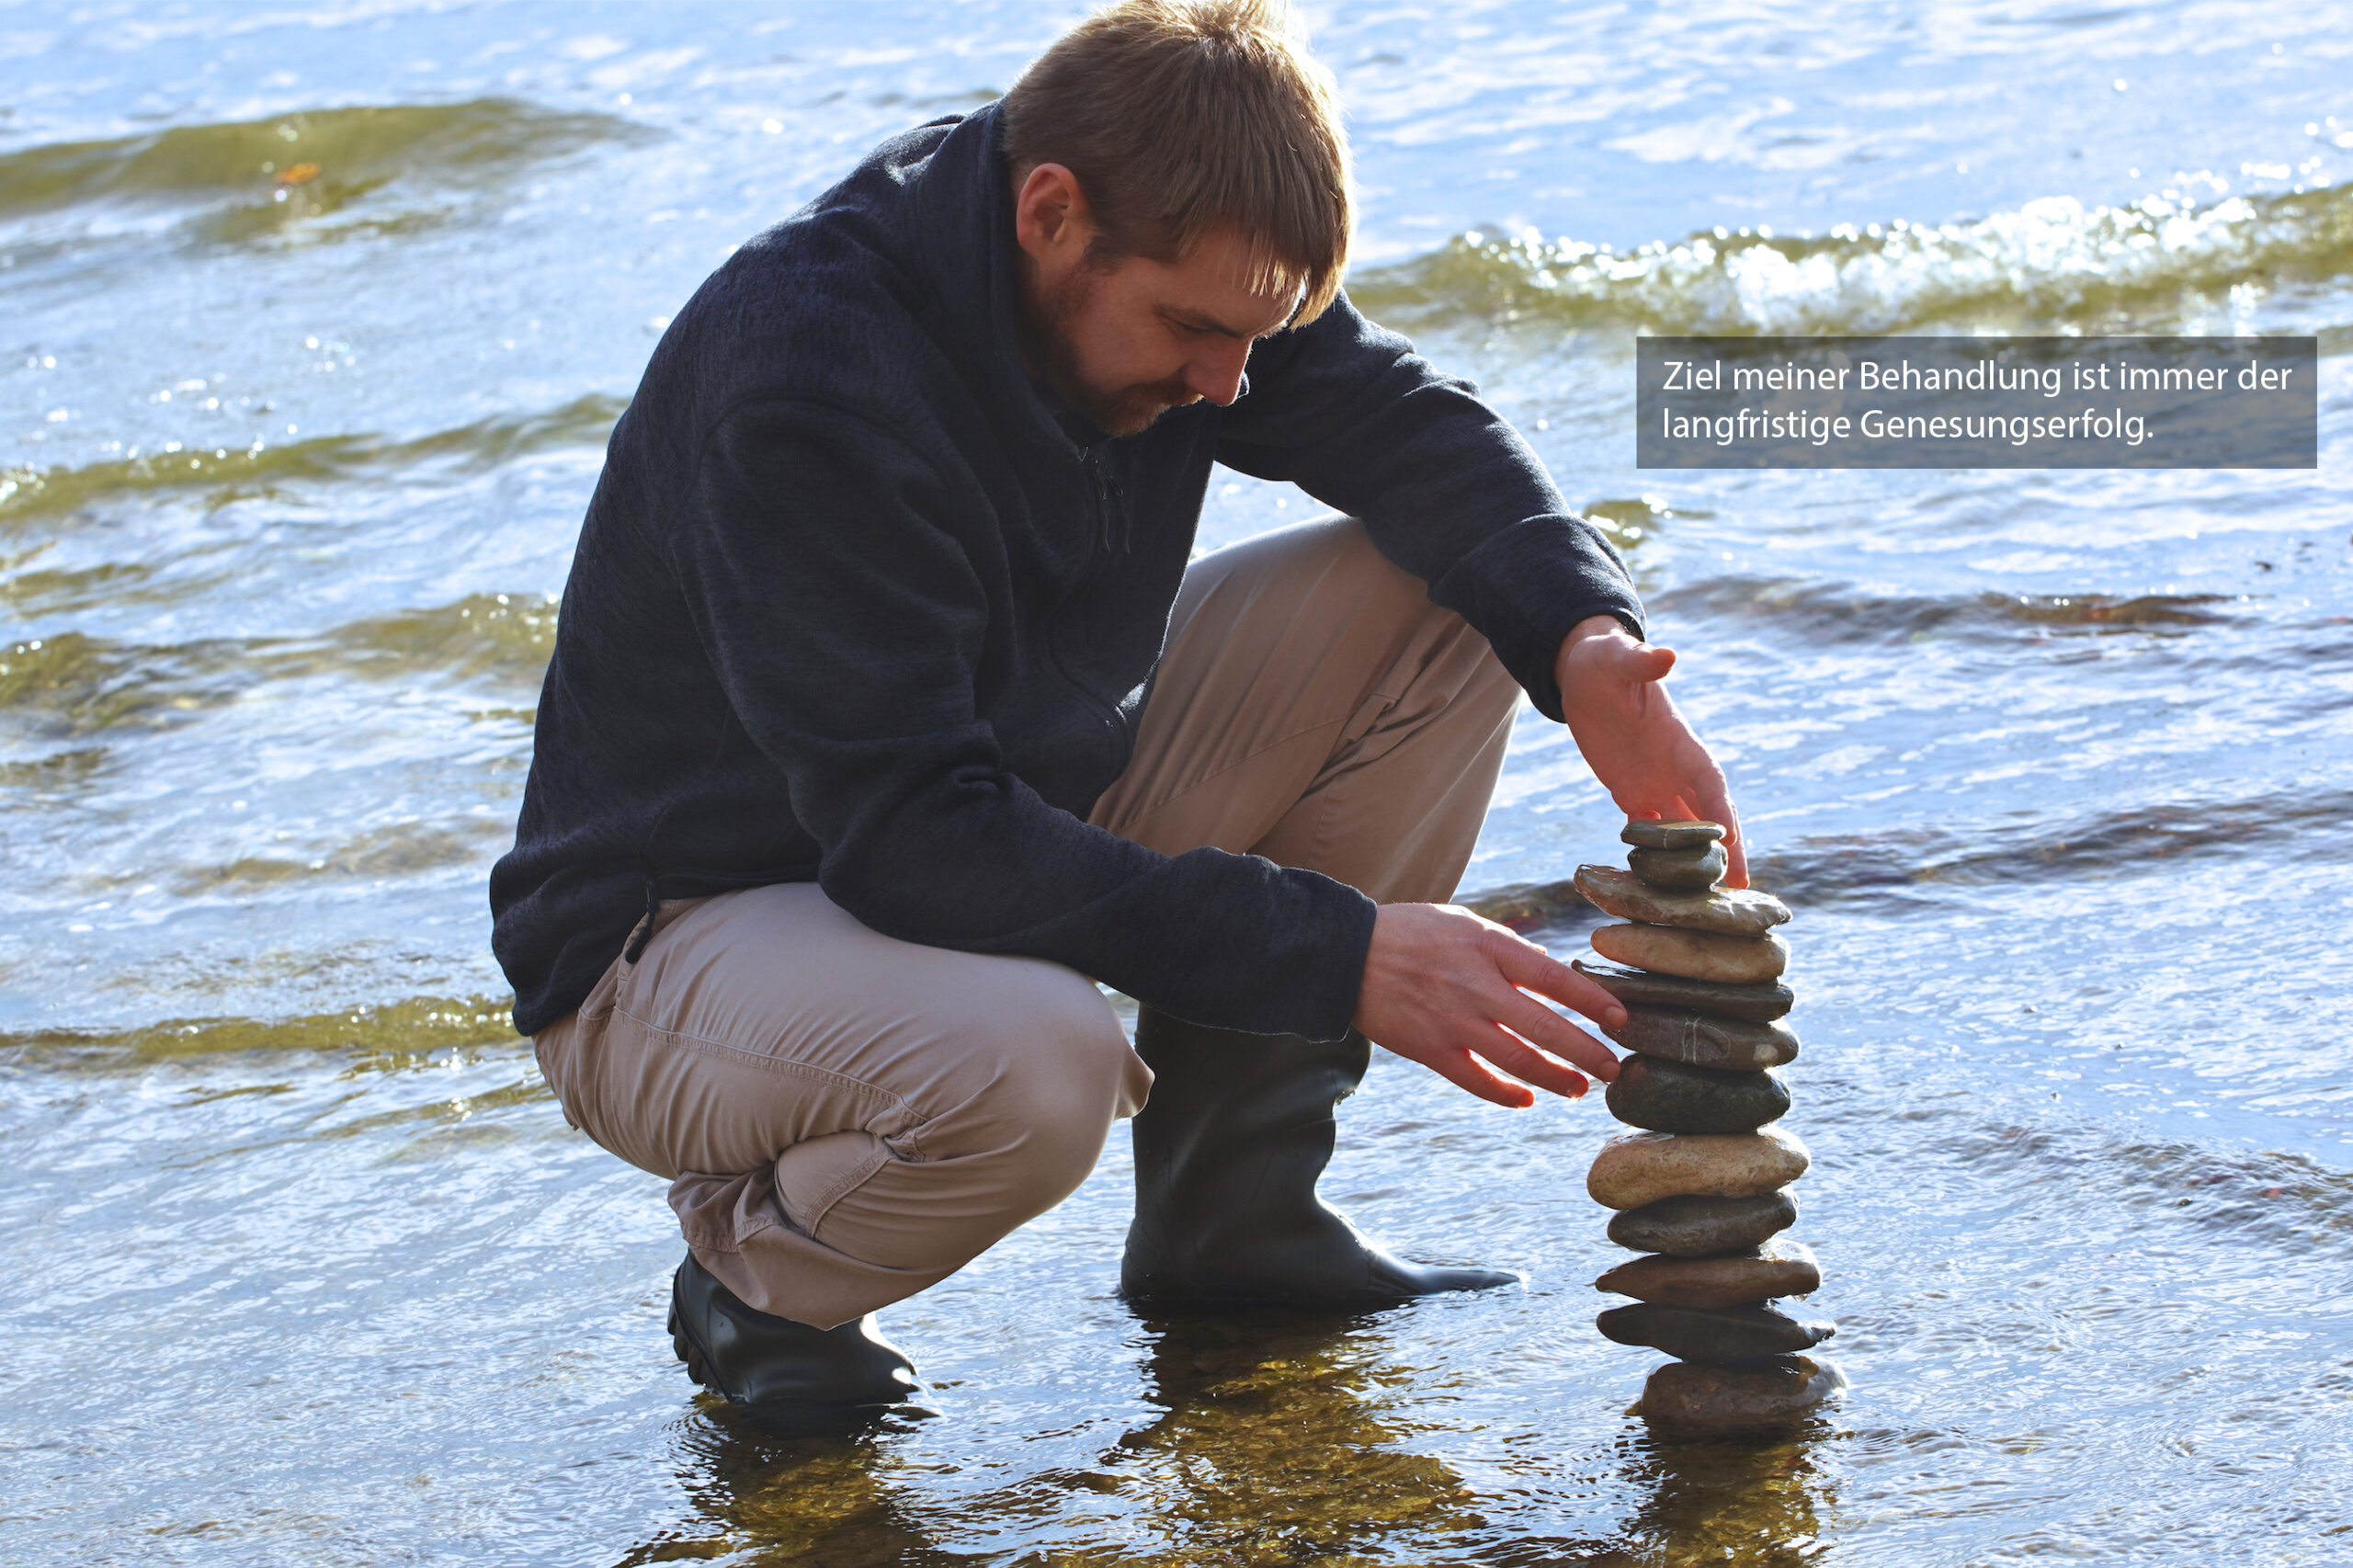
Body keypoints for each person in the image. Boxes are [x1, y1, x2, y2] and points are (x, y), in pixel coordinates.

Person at [490, 0, 1745, 1438]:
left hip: (993, 797)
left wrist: (1588, 644)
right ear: (1049, 215)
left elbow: (1410, 429)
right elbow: (913, 838)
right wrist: (1341, 952)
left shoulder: (1183, 246)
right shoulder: (810, 379)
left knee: (1462, 593)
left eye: (1258, 338)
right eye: (1196, 331)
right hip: (674, 941)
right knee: (1043, 1065)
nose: (1228, 383)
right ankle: (767, 1284)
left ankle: (1237, 1216)